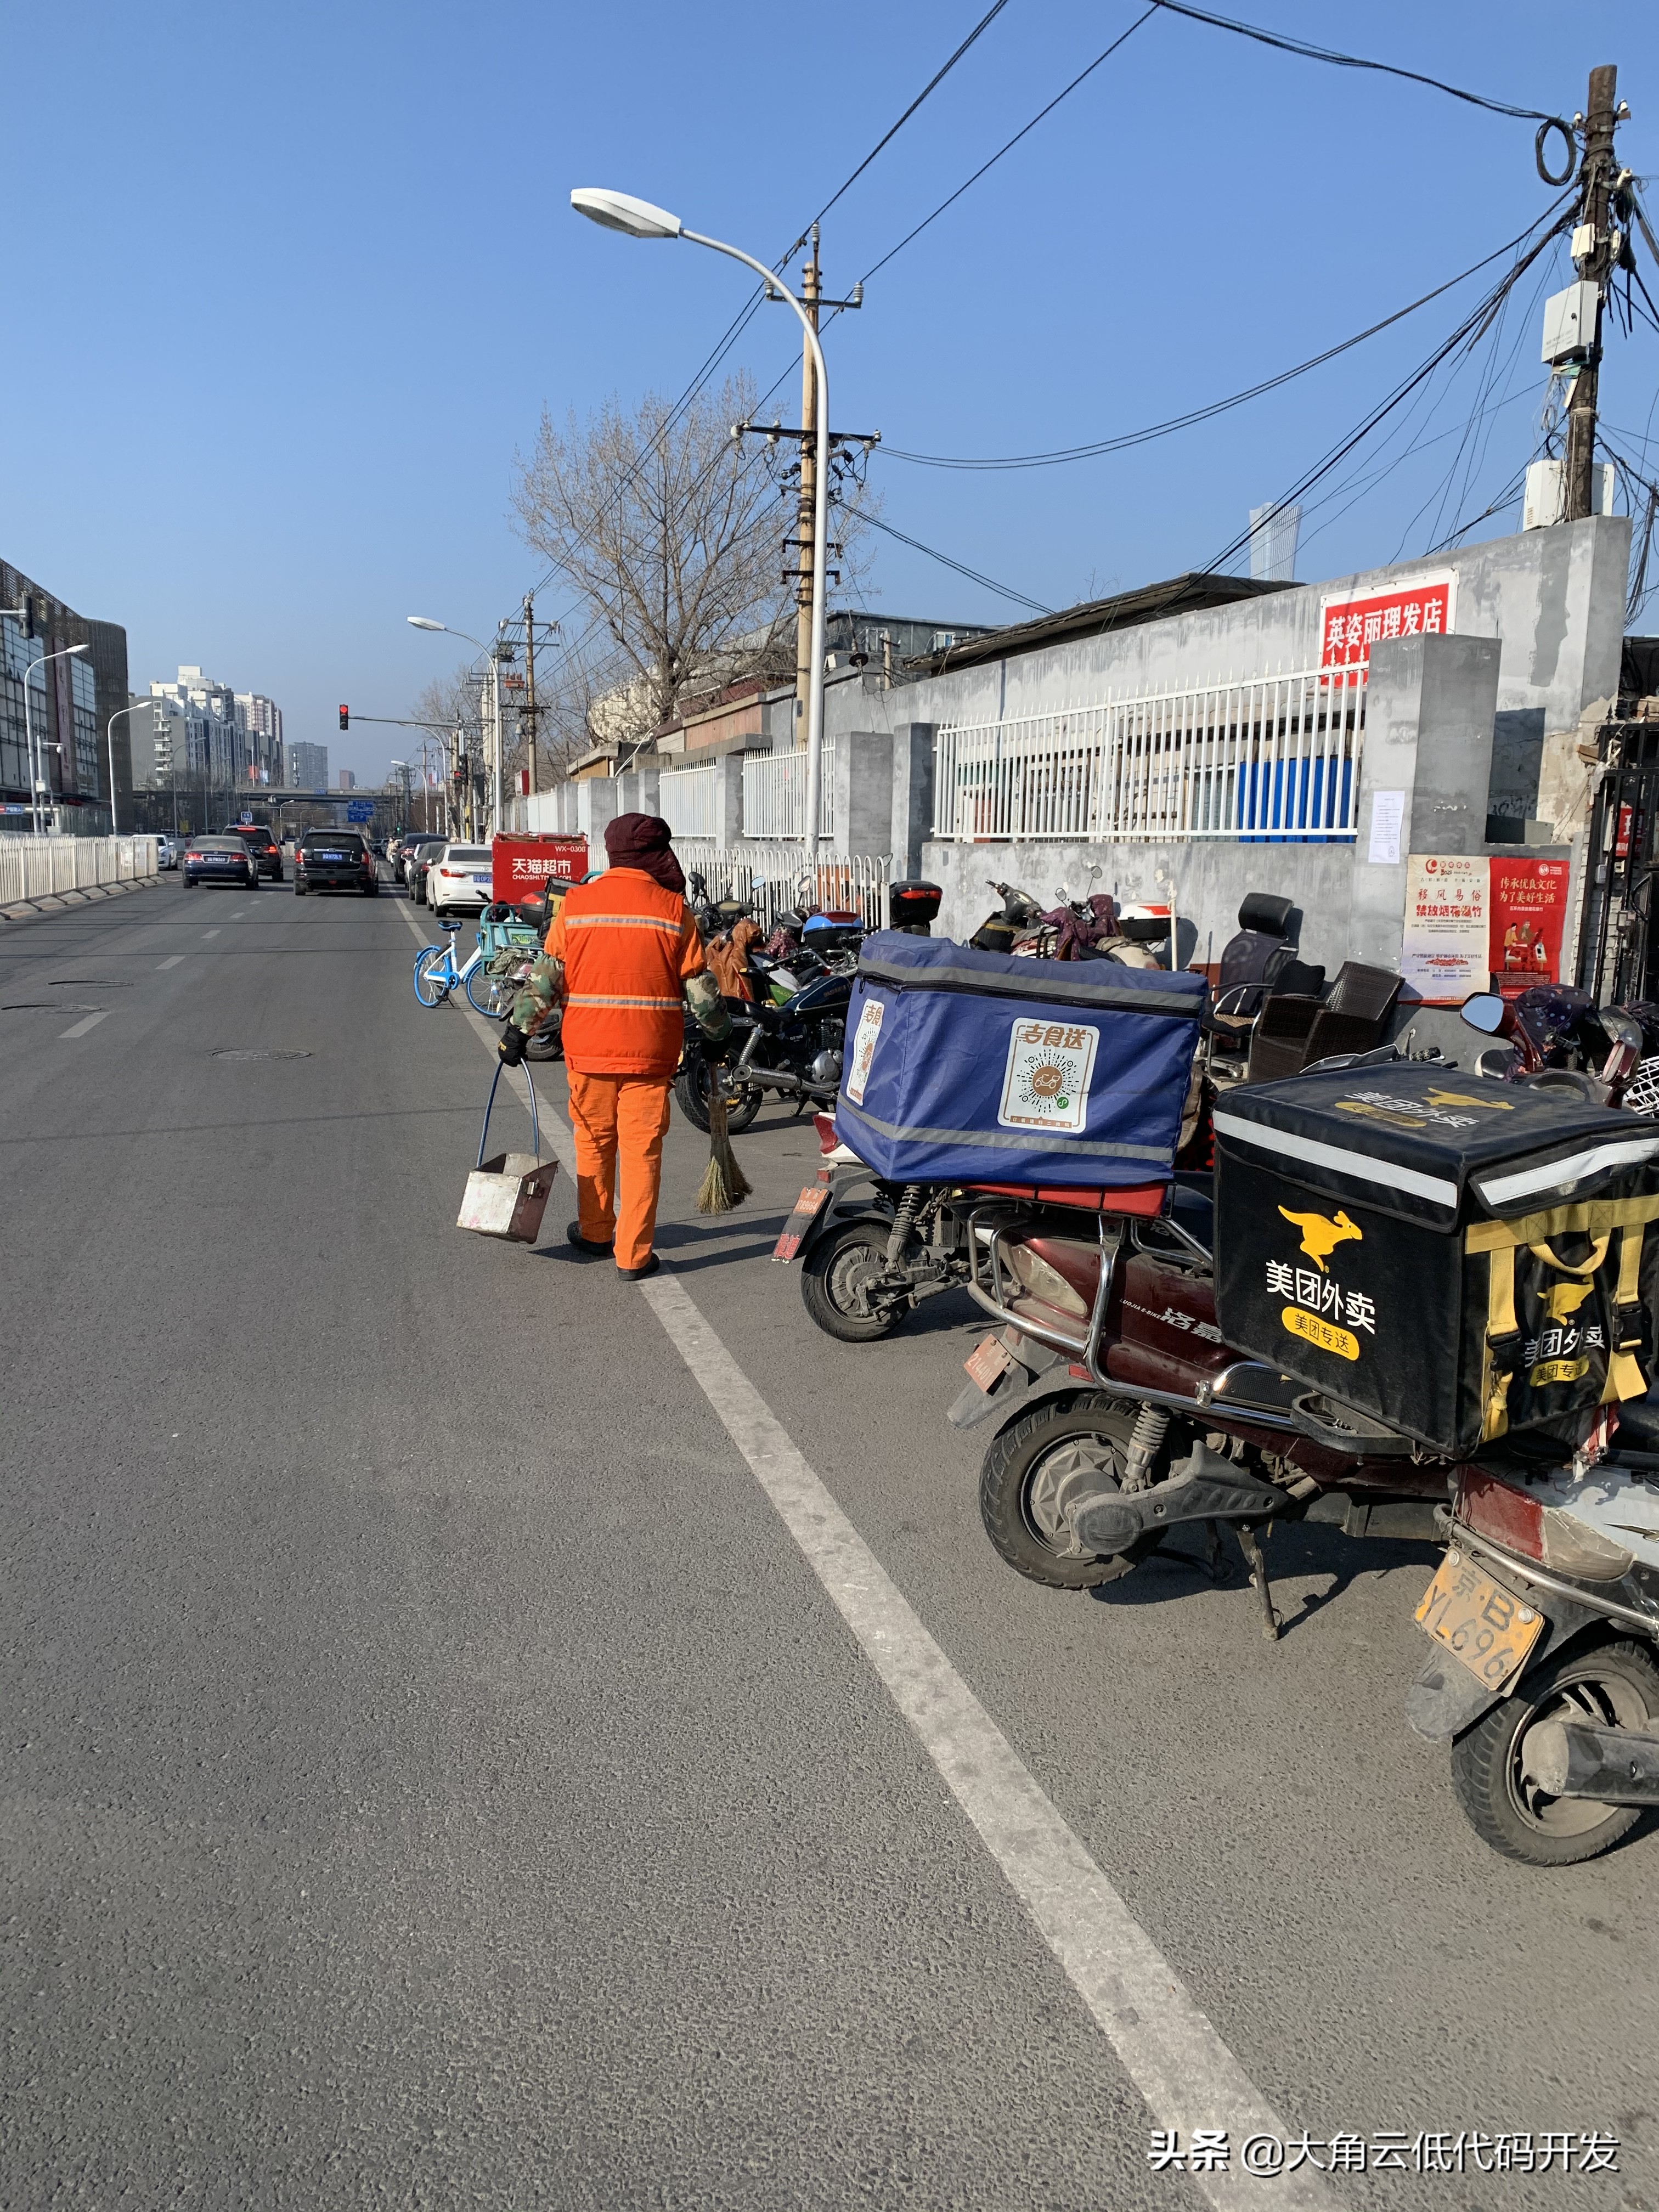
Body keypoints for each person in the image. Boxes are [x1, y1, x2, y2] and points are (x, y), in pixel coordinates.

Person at [506, 814, 729, 1280]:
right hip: (650, 1057)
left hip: (588, 1052)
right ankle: (633, 1255)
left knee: (592, 1141)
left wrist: (518, 1032)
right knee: (642, 1152)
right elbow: (701, 991)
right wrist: (718, 1036)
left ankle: (594, 1232)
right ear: (654, 855)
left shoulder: (577, 904)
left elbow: (547, 978)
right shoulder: (673, 910)